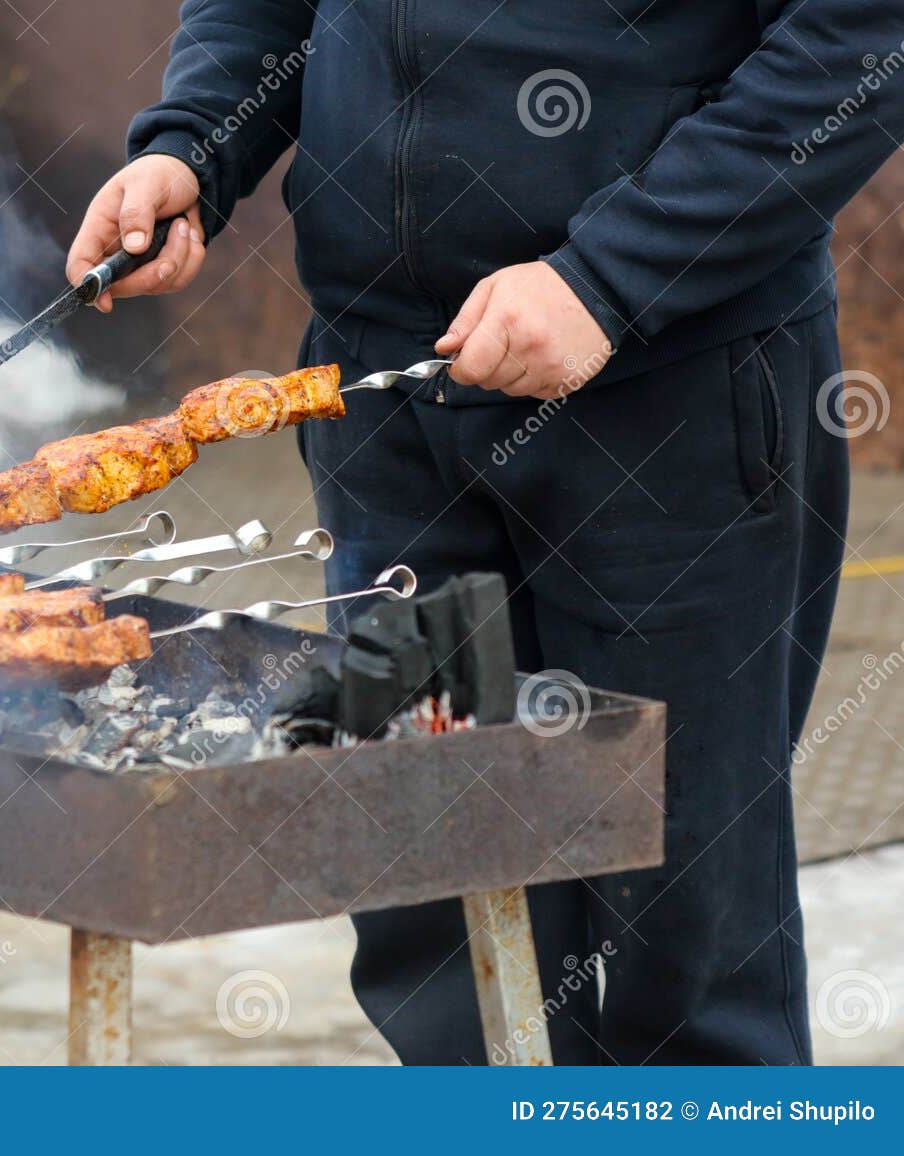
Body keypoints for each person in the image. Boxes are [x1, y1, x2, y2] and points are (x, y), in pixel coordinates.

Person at [66, 1, 904, 1064]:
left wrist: (610, 276)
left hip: (670, 396)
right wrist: (197, 139)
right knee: (435, 904)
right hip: (385, 399)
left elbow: (862, 40)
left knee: (681, 934)